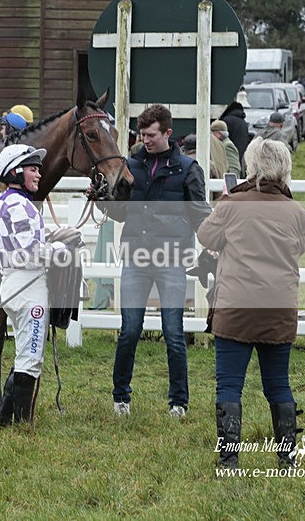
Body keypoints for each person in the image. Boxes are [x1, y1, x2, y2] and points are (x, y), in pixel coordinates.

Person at [196, 137, 305, 469]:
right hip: (278, 307)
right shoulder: (295, 210)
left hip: (237, 306)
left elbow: (205, 236)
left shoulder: (233, 204)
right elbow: (301, 247)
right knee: (278, 385)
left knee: (230, 383)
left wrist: (226, 200)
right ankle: (287, 457)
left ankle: (229, 458)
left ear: (251, 167)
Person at [100, 104, 212, 419]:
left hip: (171, 258)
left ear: (167, 133)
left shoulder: (188, 168)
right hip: (136, 256)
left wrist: (215, 242)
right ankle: (120, 398)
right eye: (142, 135)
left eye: (151, 135)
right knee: (130, 330)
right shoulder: (130, 166)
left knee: (173, 333)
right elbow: (121, 211)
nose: (145, 140)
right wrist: (102, 202)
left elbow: (199, 213)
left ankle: (179, 402)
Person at [0, 144, 78, 427]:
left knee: (23, 353)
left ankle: (3, 419)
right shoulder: (19, 204)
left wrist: (53, 235)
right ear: (14, 172)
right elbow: (28, 250)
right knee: (31, 358)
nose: (38, 173)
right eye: (32, 168)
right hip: (28, 285)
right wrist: (61, 252)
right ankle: (20, 422)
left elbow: (24, 240)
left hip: (15, 284)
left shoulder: (4, 201)